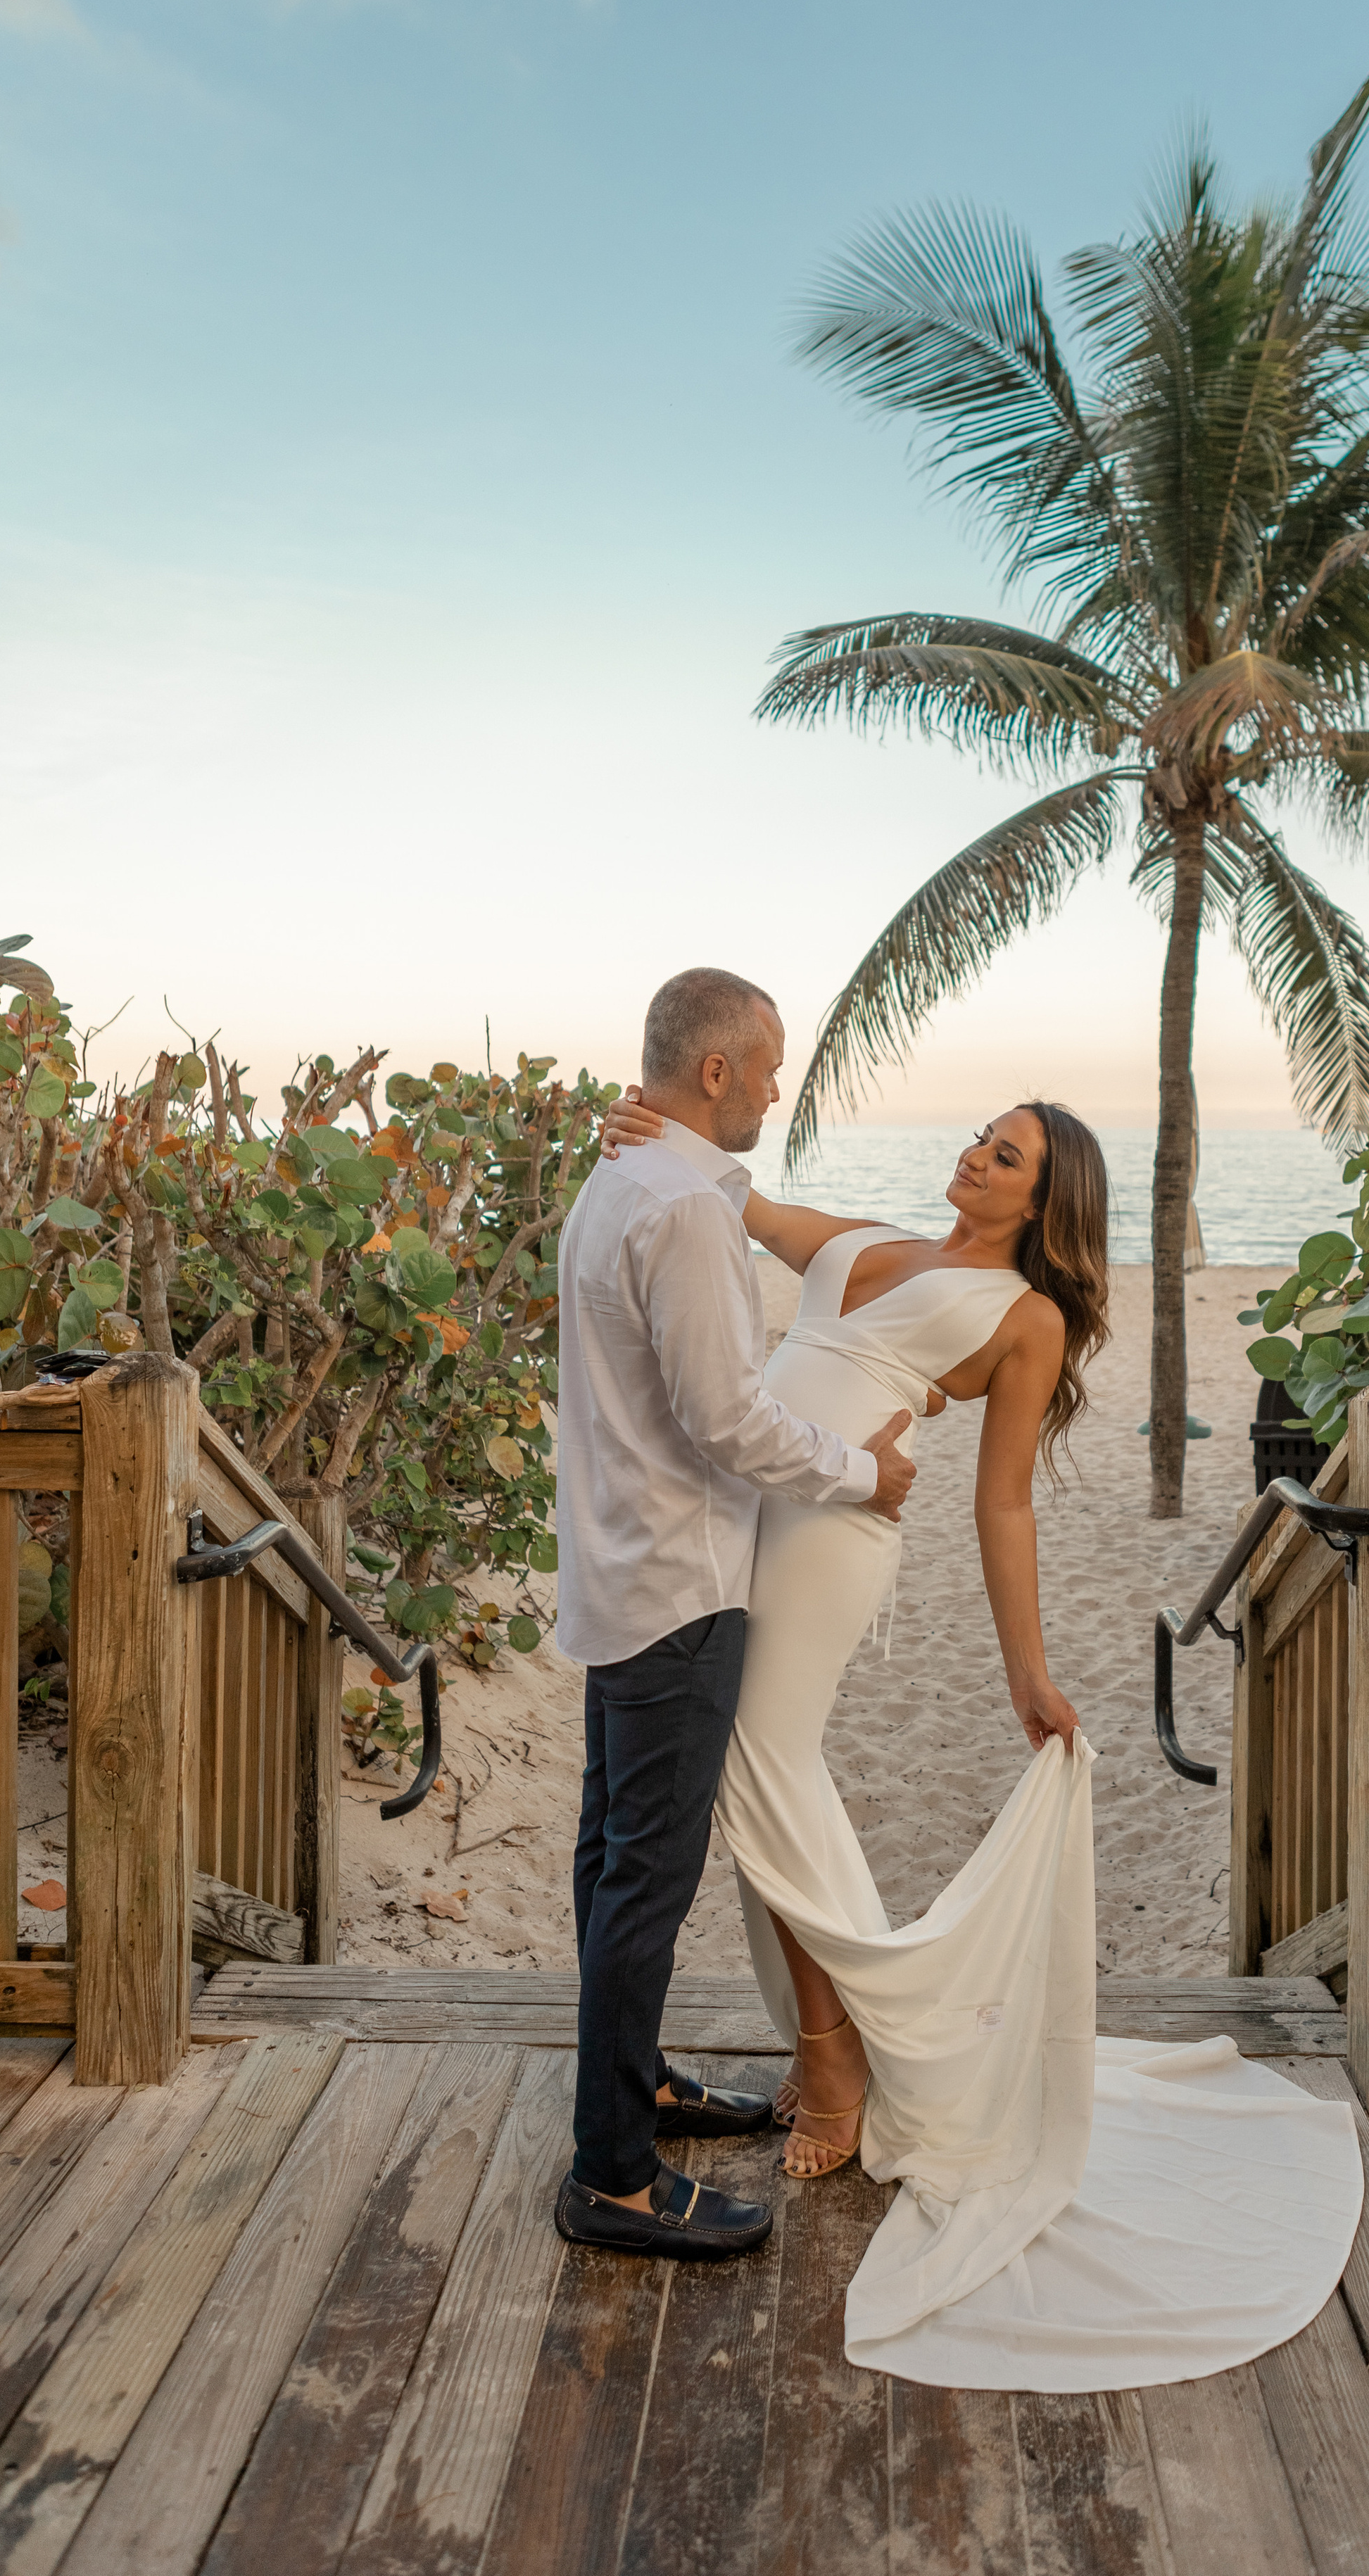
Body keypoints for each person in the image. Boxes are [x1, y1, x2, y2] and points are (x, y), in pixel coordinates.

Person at [597, 1082, 1365, 2392]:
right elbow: (738, 1203)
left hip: (834, 1535)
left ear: (1043, 1197)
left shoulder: (1027, 1318)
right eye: (977, 1137)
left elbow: (1002, 1506)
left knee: (758, 1769)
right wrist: (658, 1125)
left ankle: (836, 2057)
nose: (975, 1155)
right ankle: (831, 2041)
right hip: (742, 1511)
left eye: (1003, 1153)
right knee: (753, 1778)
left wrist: (1029, 1670)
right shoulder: (860, 1240)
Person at [553, 966, 918, 2265]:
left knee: (611, 1858)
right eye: (766, 1066)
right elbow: (728, 1420)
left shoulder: (626, 1179)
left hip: (618, 1566)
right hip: (678, 1585)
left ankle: (635, 2087)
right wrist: (863, 1470)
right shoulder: (685, 1210)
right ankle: (614, 2179)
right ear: (713, 1073)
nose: (776, 1085)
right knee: (645, 1876)